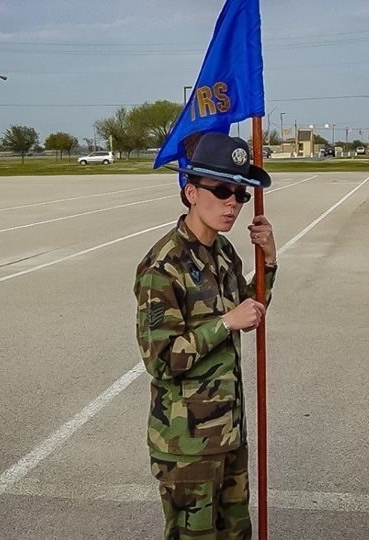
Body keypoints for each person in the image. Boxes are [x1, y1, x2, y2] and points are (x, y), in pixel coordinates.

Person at [134, 132, 278, 539]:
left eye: (240, 194)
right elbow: (161, 360)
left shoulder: (222, 252)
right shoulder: (162, 268)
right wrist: (225, 324)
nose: (232, 202)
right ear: (191, 192)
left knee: (236, 534)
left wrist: (269, 261)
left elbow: (250, 308)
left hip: (228, 432)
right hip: (187, 446)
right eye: (221, 190)